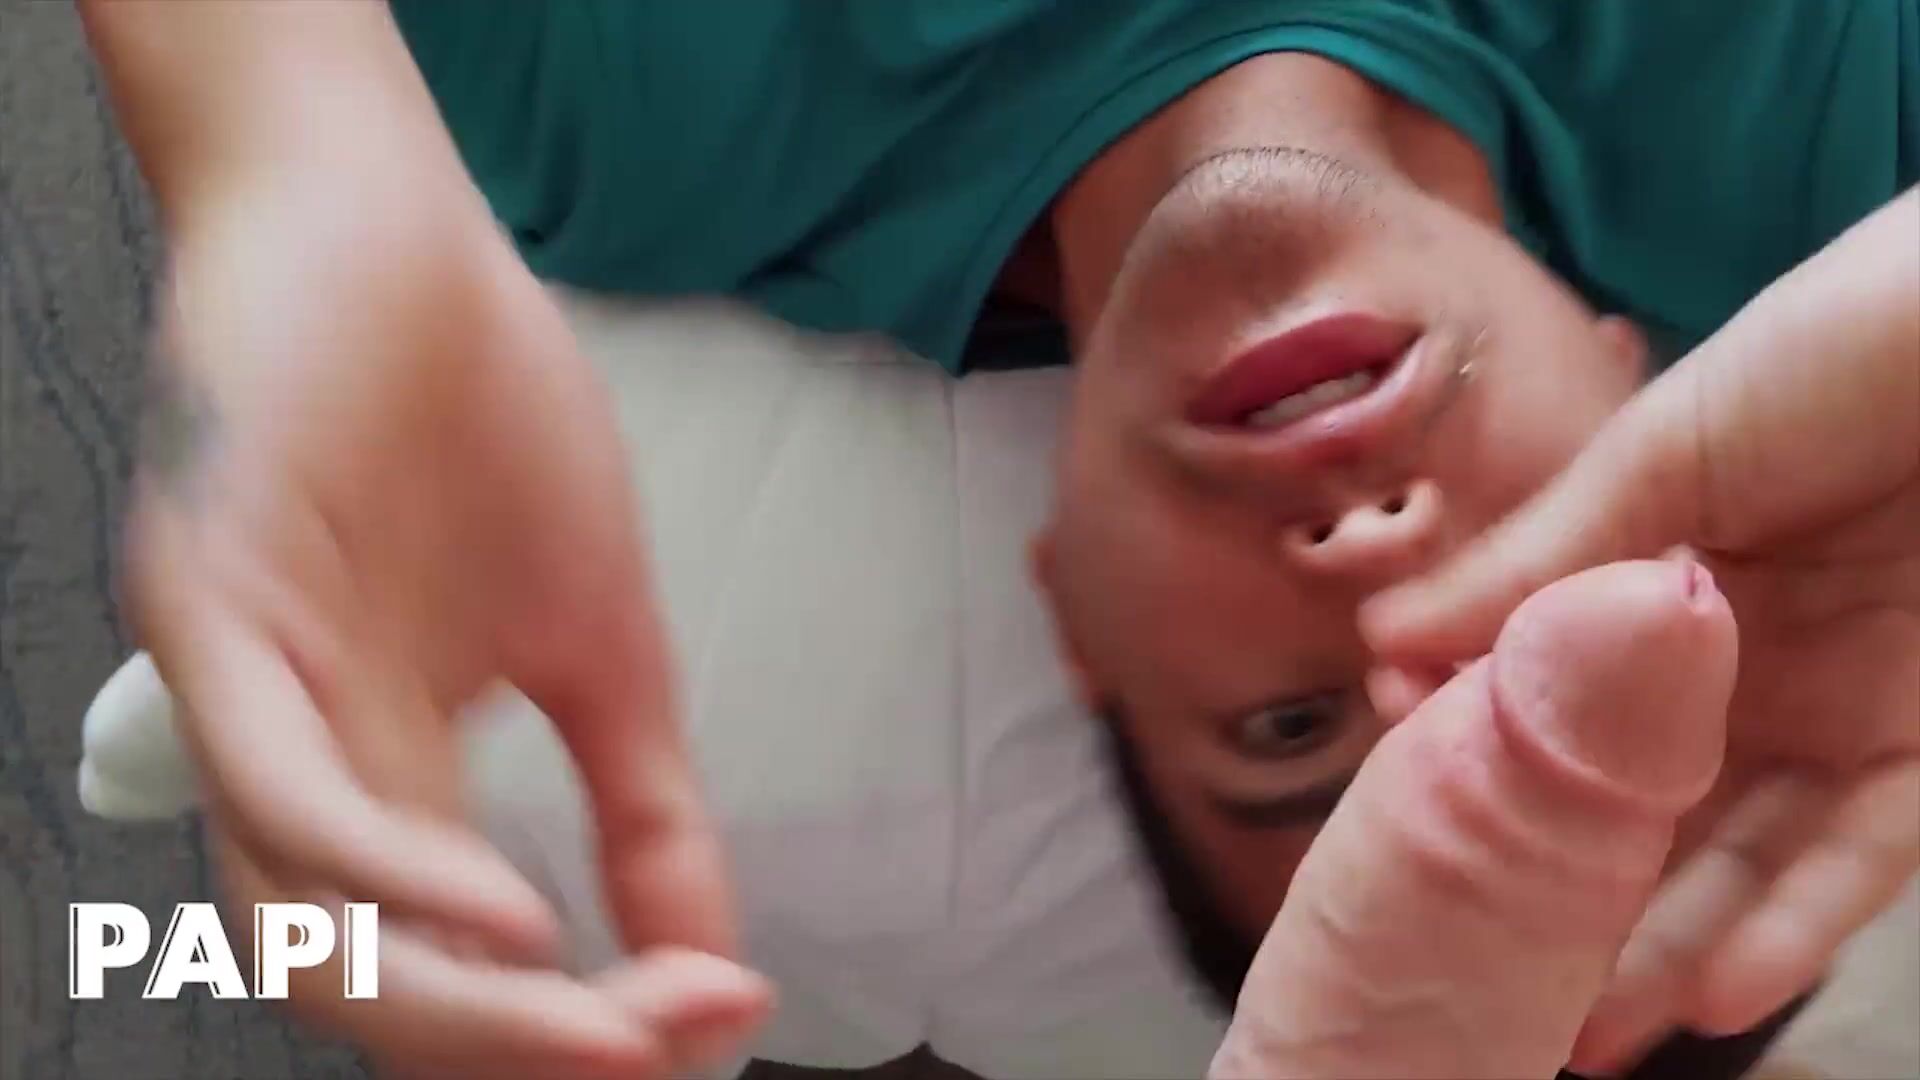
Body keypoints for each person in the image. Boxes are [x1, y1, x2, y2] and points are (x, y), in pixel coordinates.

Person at [78, 1, 1916, 1076]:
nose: (1369, 566)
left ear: (1078, 622)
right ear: (1639, 371)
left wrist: (276, 150)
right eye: (1523, 638)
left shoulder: (646, 125)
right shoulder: (1830, 147)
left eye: (1288, 729)